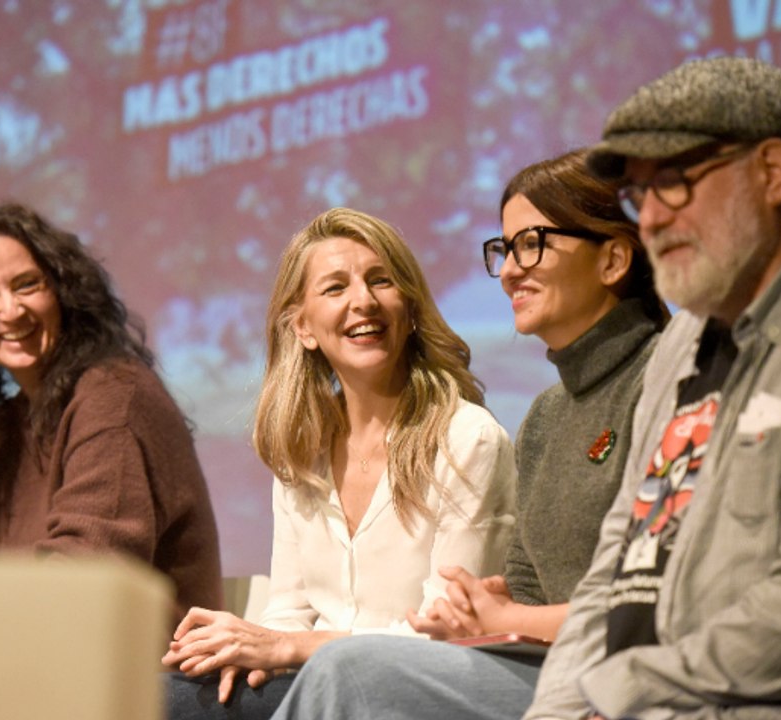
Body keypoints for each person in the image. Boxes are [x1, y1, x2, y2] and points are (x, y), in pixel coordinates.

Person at [270, 56, 781, 720]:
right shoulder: (688, 349)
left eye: (673, 184)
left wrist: (619, 692)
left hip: (764, 701)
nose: (650, 218)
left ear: (771, 174)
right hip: (622, 687)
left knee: (354, 676)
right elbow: (619, 582)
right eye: (639, 195)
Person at [263, 148, 670, 719]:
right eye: (505, 250)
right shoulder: (548, 415)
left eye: (532, 244)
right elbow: (525, 589)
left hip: (628, 679)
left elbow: (654, 600)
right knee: (181, 694)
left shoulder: (671, 384)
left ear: (613, 260)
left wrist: (504, 619)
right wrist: (485, 609)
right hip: (548, 665)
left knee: (347, 672)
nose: (508, 270)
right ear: (300, 327)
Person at [161, 207, 518, 719]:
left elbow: (449, 632)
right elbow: (289, 611)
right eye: (335, 288)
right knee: (161, 693)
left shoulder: (469, 439)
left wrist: (287, 648)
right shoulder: (300, 450)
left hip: (419, 693)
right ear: (302, 327)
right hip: (317, 688)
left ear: (410, 309)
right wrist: (249, 649)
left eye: (381, 281)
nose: (364, 301)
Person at [0, 202, 223, 618]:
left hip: (143, 675)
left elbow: (84, 578)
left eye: (25, 285)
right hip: (20, 662)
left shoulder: (114, 395)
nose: (10, 311)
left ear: (62, 289)